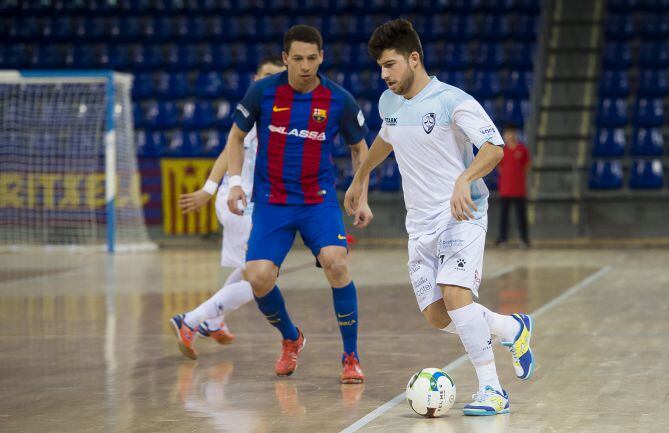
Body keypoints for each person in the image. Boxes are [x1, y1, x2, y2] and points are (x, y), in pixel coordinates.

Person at [345, 19, 535, 415]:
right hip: (420, 225)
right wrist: (360, 179)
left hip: (462, 213)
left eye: (392, 64)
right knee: (437, 315)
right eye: (381, 66)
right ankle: (511, 329)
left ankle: (492, 390)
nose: (385, 74)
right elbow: (385, 139)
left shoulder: (453, 101)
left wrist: (465, 179)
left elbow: (494, 148)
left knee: (455, 294)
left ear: (414, 58)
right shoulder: (389, 103)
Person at [177, 24, 371, 384]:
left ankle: (350, 356)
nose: (305, 66)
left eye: (312, 58)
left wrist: (361, 194)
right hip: (273, 202)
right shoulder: (263, 92)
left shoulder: (338, 99)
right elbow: (235, 138)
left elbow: (361, 148)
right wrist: (234, 183)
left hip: (318, 201)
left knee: (337, 263)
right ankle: (290, 338)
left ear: (321, 57)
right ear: (285, 59)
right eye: (297, 58)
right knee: (259, 277)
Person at [169, 56, 285, 353]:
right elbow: (228, 150)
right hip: (240, 203)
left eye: (278, 76)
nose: (272, 81)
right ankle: (192, 319)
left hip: (252, 203)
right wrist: (209, 189)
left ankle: (213, 320)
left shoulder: (278, 114)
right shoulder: (257, 111)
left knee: (252, 271)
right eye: (267, 75)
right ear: (256, 78)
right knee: (262, 276)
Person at [495, 124, 530, 248]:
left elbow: (526, 167)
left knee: (521, 216)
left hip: (519, 189)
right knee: (504, 216)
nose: (509, 135)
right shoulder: (502, 151)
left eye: (511, 132)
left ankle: (524, 239)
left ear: (515, 133)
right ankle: (503, 239)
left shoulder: (522, 149)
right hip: (505, 189)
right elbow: (499, 167)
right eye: (507, 133)